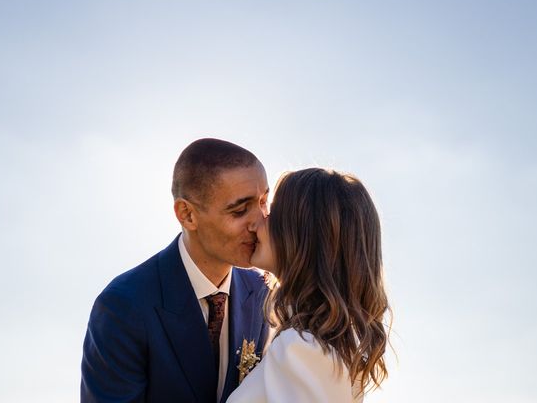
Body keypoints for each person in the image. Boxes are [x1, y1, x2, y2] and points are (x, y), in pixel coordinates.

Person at [81, 138, 271, 403]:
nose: (260, 221)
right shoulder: (122, 306)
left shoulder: (262, 292)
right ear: (187, 214)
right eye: (240, 210)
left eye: (263, 202)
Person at [228, 168, 391, 402]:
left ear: (302, 234)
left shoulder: (303, 348)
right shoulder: (321, 347)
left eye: (272, 213)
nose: (256, 224)